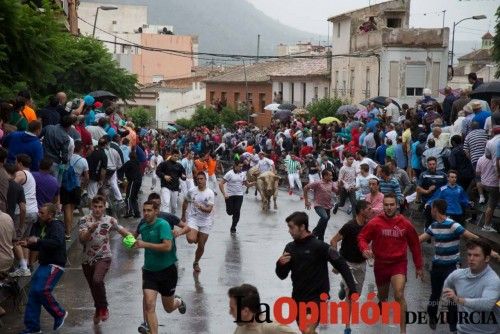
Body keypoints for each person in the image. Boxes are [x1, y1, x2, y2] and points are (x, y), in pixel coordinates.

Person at [275, 211, 357, 334]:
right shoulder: (290, 248)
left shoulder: (320, 246)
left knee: (308, 329)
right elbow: (282, 275)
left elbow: (341, 264)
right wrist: (280, 264)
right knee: (306, 330)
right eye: (288, 227)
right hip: (298, 298)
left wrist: (352, 288)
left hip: (317, 298)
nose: (289, 231)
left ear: (302, 227)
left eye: (291, 227)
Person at [357, 193, 424, 334]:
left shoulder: (405, 224)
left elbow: (415, 245)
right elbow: (362, 237)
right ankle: (382, 302)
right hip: (380, 264)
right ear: (383, 206)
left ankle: (403, 331)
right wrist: (365, 248)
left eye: (391, 204)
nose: (388, 207)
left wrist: (418, 266)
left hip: (398, 264)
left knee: (399, 295)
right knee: (383, 296)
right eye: (386, 205)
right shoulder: (375, 222)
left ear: (396, 205)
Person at [419, 199, 481, 331]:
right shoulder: (434, 226)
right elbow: (420, 239)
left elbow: (471, 236)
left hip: (452, 267)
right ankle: (432, 316)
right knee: (435, 295)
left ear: (435, 209)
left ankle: (454, 328)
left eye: (431, 208)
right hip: (437, 266)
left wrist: (491, 252)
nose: (430, 211)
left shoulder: (453, 225)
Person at [134, 200, 186, 334]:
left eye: (149, 210)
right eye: (144, 210)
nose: (146, 213)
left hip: (167, 271)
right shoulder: (143, 226)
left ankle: (178, 302)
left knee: (168, 308)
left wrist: (144, 244)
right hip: (149, 271)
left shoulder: (163, 225)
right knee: (149, 305)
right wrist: (128, 241)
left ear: (156, 211)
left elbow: (167, 246)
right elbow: (133, 240)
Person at [78, 195, 132, 324]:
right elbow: (81, 239)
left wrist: (133, 239)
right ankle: (98, 309)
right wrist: (90, 229)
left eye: (100, 207)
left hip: (104, 256)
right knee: (93, 286)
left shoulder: (110, 220)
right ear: (91, 207)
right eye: (95, 207)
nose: (97, 209)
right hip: (87, 259)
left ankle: (103, 308)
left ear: (104, 207)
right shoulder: (84, 220)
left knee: (97, 280)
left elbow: (122, 231)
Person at [18, 203, 68, 334]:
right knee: (34, 293)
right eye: (39, 212)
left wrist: (37, 242)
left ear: (50, 215)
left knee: (42, 290)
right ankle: (32, 327)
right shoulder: (39, 225)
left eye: (42, 213)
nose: (39, 215)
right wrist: (28, 245)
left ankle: (59, 313)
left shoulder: (57, 225)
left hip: (55, 264)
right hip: (44, 263)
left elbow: (56, 243)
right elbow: (40, 245)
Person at [330, 200, 371, 334]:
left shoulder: (369, 226)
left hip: (361, 264)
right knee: (350, 294)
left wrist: (371, 253)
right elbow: (333, 240)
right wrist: (336, 260)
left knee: (356, 295)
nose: (371, 211)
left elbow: (372, 244)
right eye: (369, 209)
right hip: (347, 263)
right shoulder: (349, 226)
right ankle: (347, 327)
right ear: (361, 210)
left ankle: (343, 285)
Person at [442, 239, 500, 334]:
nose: (471, 258)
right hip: (462, 330)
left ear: (487, 258)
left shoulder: (493, 280)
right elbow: (447, 285)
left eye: (476, 255)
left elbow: (487, 304)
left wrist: (458, 300)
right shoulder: (457, 275)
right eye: (469, 255)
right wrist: (444, 308)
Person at [10, 154, 38, 277]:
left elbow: (11, 187)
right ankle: (25, 266)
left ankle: (23, 267)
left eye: (16, 162)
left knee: (14, 239)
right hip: (33, 211)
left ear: (20, 163)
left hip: (22, 212)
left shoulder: (21, 173)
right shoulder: (31, 175)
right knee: (24, 241)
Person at [228, 284, 297, 334]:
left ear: (246, 311)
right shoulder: (241, 327)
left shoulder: (270, 328)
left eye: (232, 309)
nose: (230, 312)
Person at [182, 172, 215, 272]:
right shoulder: (192, 191)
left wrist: (201, 207)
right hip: (194, 219)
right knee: (190, 239)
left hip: (206, 221)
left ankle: (196, 262)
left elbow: (209, 209)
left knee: (201, 246)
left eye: (201, 179)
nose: (199, 181)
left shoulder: (210, 193)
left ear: (205, 180)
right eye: (198, 179)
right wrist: (183, 215)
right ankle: (195, 235)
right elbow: (185, 201)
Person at [62, 140, 89, 238]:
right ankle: (68, 232)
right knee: (71, 209)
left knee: (66, 209)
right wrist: (82, 187)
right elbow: (86, 177)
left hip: (65, 186)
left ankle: (67, 231)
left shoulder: (68, 158)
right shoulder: (83, 161)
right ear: (81, 149)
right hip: (76, 186)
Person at [303, 169, 337, 241]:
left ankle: (320, 240)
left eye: (331, 175)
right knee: (325, 218)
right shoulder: (318, 183)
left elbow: (337, 191)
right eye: (330, 175)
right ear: (325, 176)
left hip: (328, 206)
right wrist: (306, 201)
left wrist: (340, 186)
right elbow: (306, 188)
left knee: (324, 224)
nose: (332, 176)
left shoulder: (332, 183)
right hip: (318, 205)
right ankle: (314, 234)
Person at [219, 160, 253, 233]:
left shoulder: (243, 174)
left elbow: (247, 184)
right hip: (230, 195)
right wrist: (224, 194)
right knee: (230, 212)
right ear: (235, 166)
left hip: (239, 195)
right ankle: (229, 211)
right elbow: (221, 183)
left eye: (242, 166)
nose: (241, 168)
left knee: (237, 211)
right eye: (239, 166)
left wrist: (254, 183)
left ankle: (233, 227)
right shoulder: (229, 174)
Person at [416, 157, 447, 228]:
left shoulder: (443, 175)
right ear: (427, 165)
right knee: (429, 221)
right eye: (430, 164)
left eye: (433, 164)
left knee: (441, 222)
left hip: (440, 202)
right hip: (427, 201)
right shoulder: (423, 175)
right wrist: (427, 191)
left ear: (436, 165)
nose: (432, 166)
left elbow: (447, 187)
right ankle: (427, 236)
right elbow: (418, 188)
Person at [156, 149, 186, 214]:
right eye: (175, 156)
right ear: (171, 155)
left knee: (174, 207)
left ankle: (172, 219)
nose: (176, 158)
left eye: (177, 156)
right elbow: (157, 171)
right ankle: (165, 220)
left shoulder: (179, 165)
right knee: (166, 203)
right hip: (165, 186)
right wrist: (164, 176)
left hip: (175, 188)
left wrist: (183, 176)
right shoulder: (164, 163)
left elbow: (183, 174)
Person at [475, 152, 499, 231]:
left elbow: (478, 173)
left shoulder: (480, 159)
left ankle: (481, 197)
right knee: (491, 206)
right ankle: (486, 226)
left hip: (484, 184)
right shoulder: (495, 159)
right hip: (494, 186)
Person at [334, 153, 357, 218]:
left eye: (353, 159)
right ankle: (336, 205)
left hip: (352, 188)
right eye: (350, 159)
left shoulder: (354, 167)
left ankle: (354, 219)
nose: (352, 161)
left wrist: (354, 185)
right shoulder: (343, 168)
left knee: (354, 203)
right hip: (344, 189)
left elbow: (355, 176)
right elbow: (340, 179)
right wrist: (343, 186)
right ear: (346, 159)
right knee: (342, 203)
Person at [122, 150, 143, 218]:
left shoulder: (129, 163)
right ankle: (137, 213)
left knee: (128, 197)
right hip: (139, 181)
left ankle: (129, 212)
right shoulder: (138, 163)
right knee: (134, 197)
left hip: (133, 181)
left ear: (129, 156)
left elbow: (121, 169)